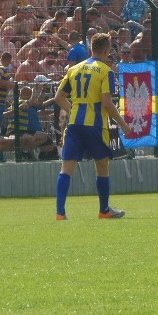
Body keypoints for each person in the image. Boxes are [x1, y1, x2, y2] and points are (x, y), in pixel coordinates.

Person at [53, 32, 132, 220]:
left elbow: (58, 98)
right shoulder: (105, 71)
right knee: (102, 167)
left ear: (91, 49)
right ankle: (104, 210)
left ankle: (60, 213)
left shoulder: (74, 69)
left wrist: (74, 110)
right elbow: (106, 103)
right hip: (95, 125)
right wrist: (123, 124)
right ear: (106, 50)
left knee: (66, 169)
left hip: (74, 125)